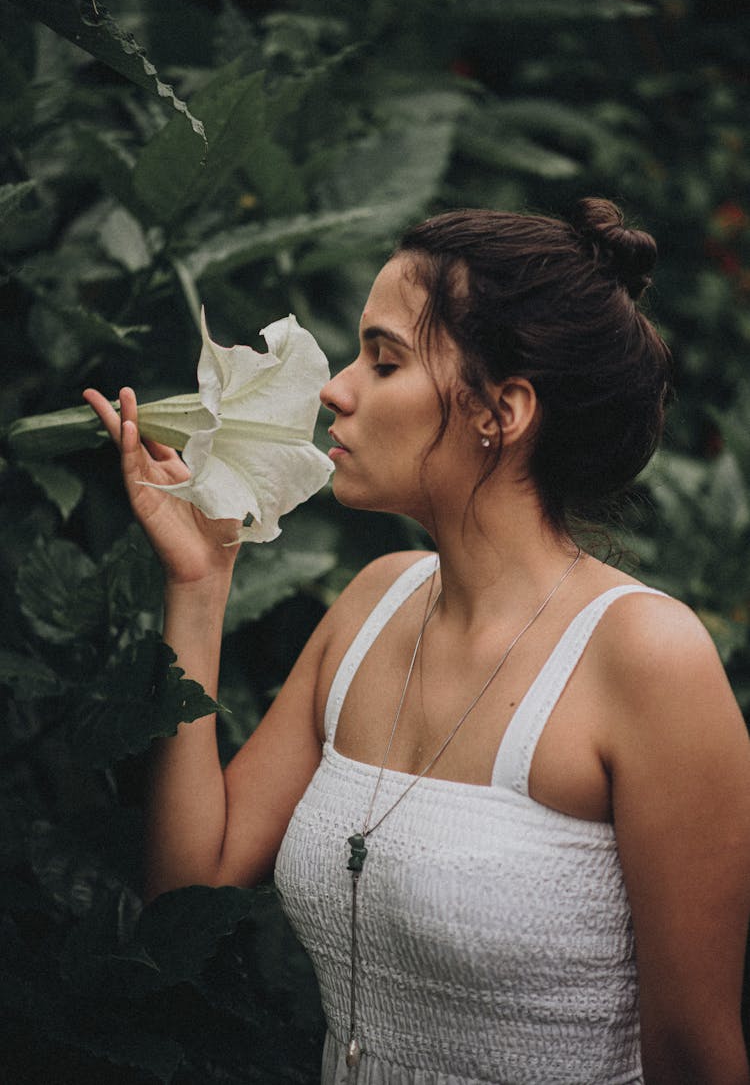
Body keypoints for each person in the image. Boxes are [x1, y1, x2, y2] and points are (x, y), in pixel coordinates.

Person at [84, 197, 750, 1085]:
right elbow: (188, 889)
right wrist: (199, 590)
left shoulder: (646, 657)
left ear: (501, 410)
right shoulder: (372, 604)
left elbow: (695, 1054)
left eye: (383, 359)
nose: (335, 389)